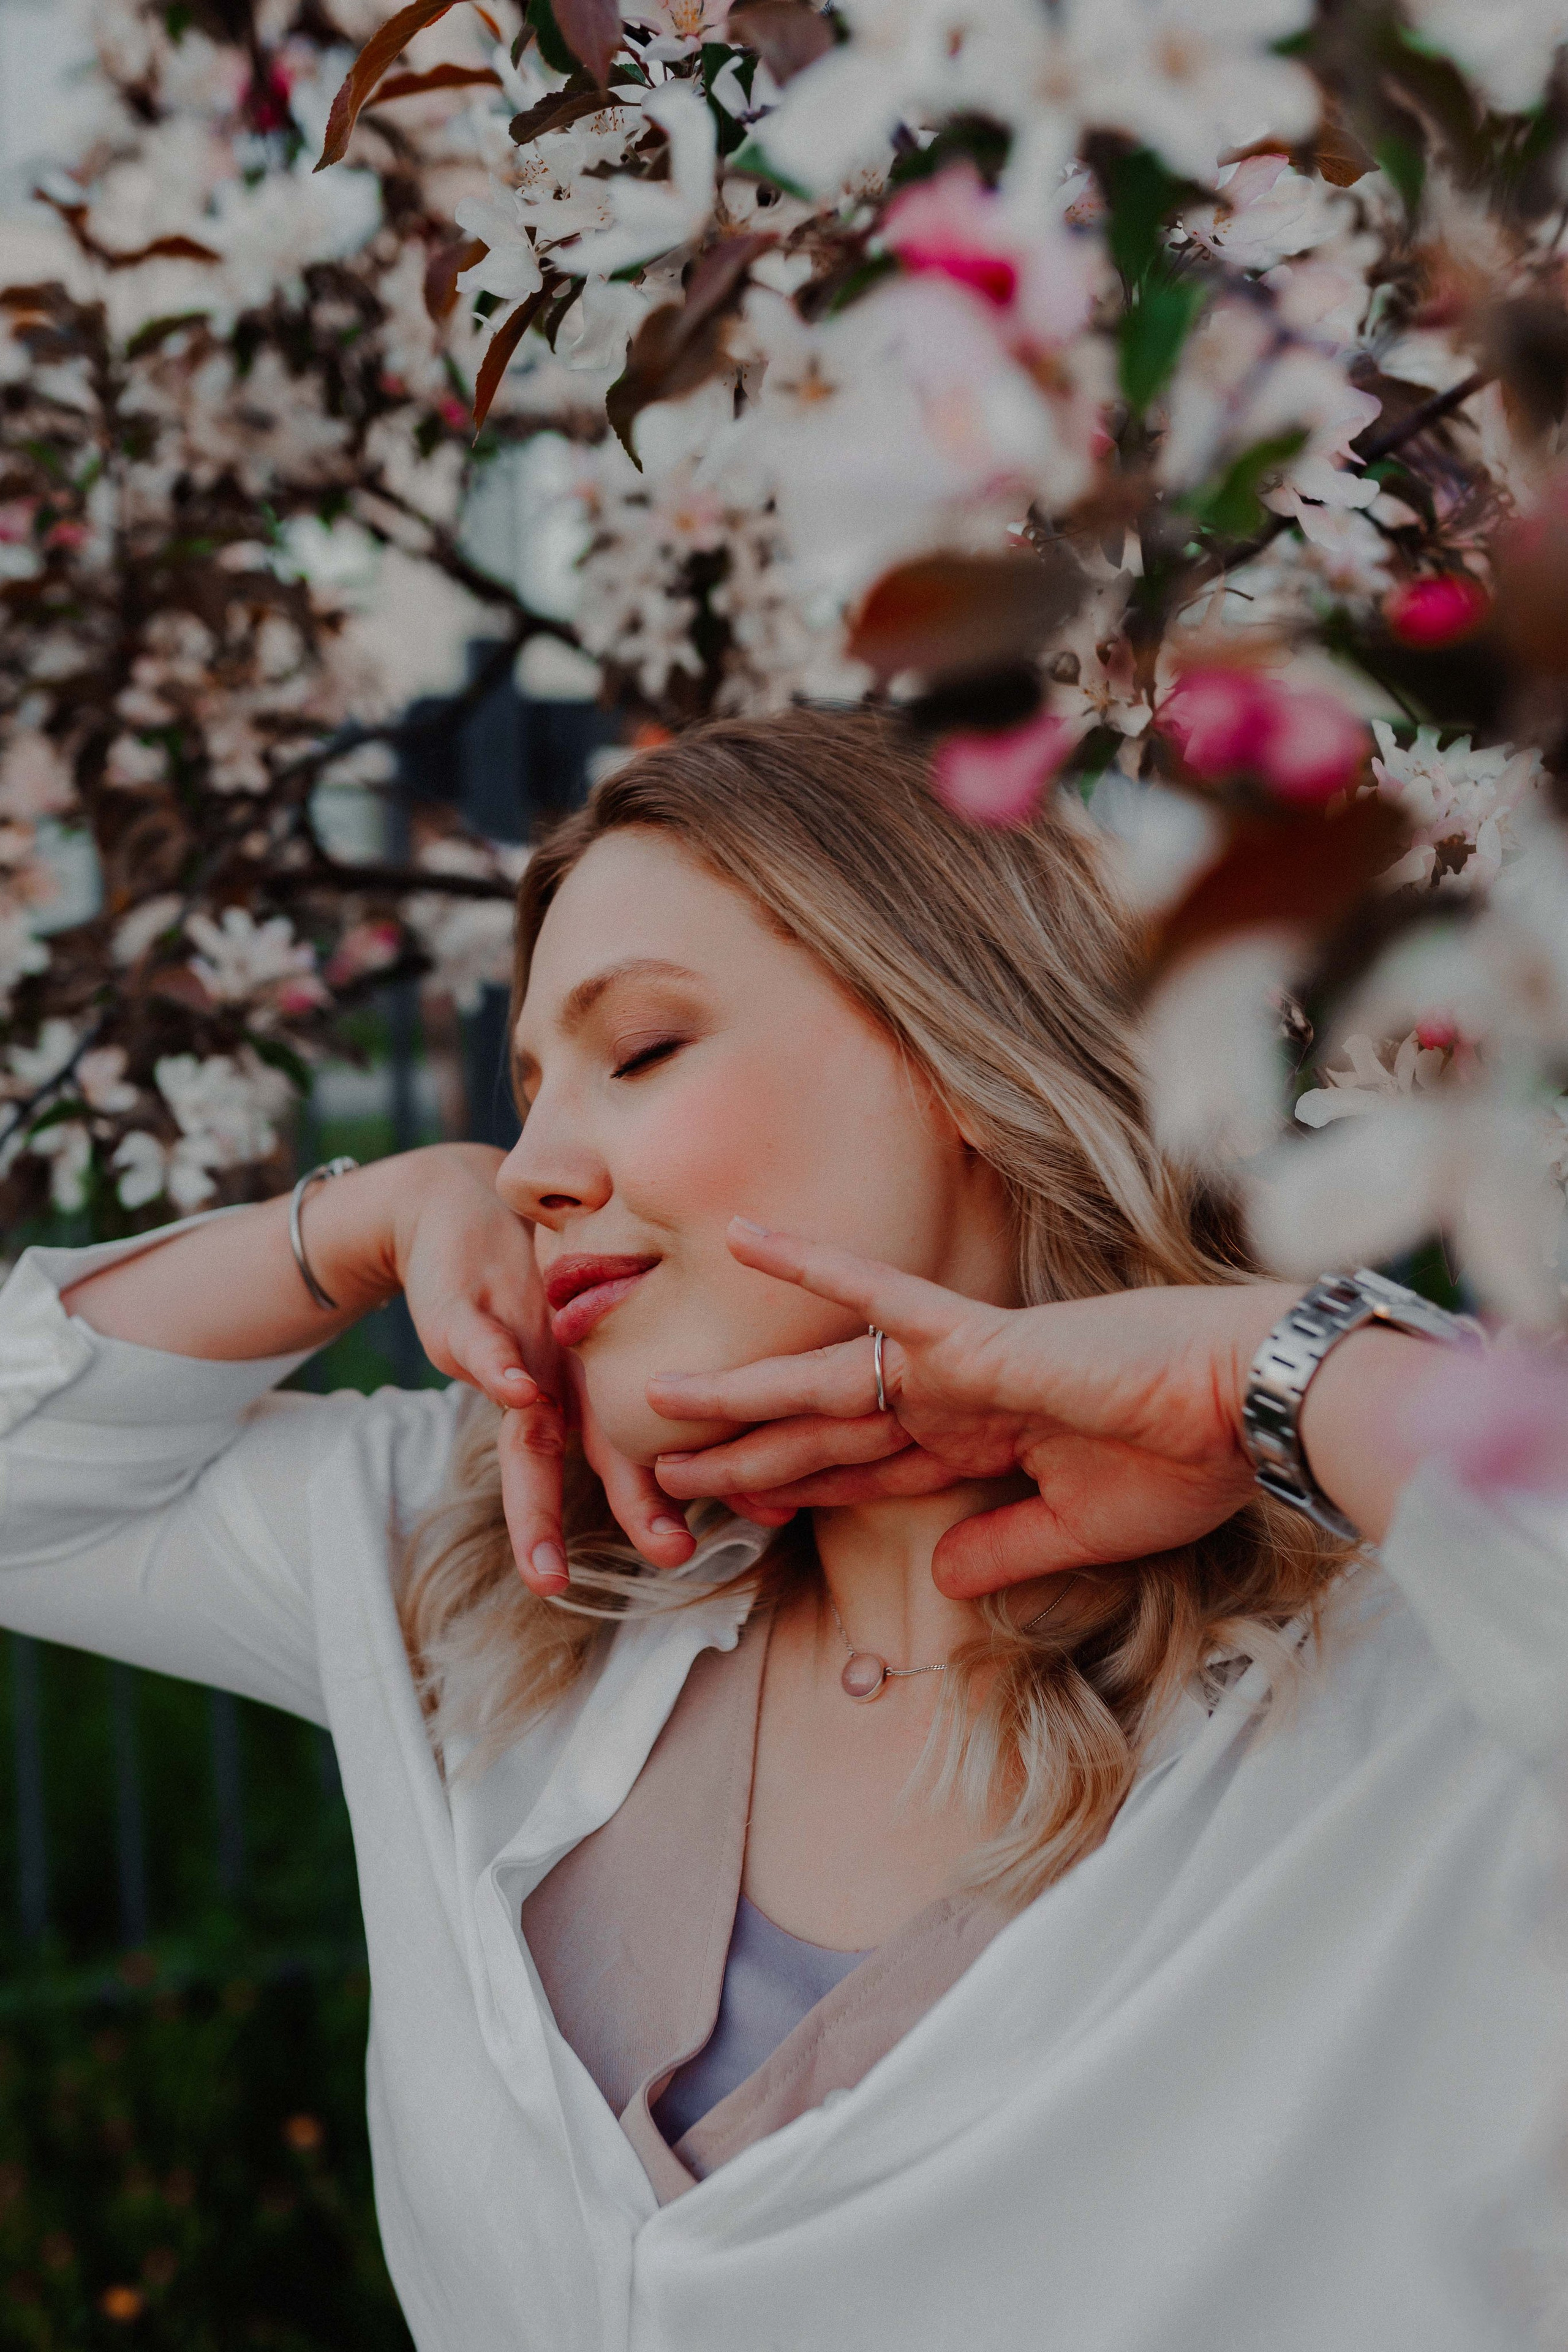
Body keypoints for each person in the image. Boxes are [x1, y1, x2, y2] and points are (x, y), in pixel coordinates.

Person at [0, 709, 1562, 2352]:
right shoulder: (489, 1577)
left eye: (640, 1050)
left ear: (963, 1056)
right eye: (524, 1096)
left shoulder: (1418, 1681)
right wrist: (353, 1224)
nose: (531, 1168)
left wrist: (1267, 1379)